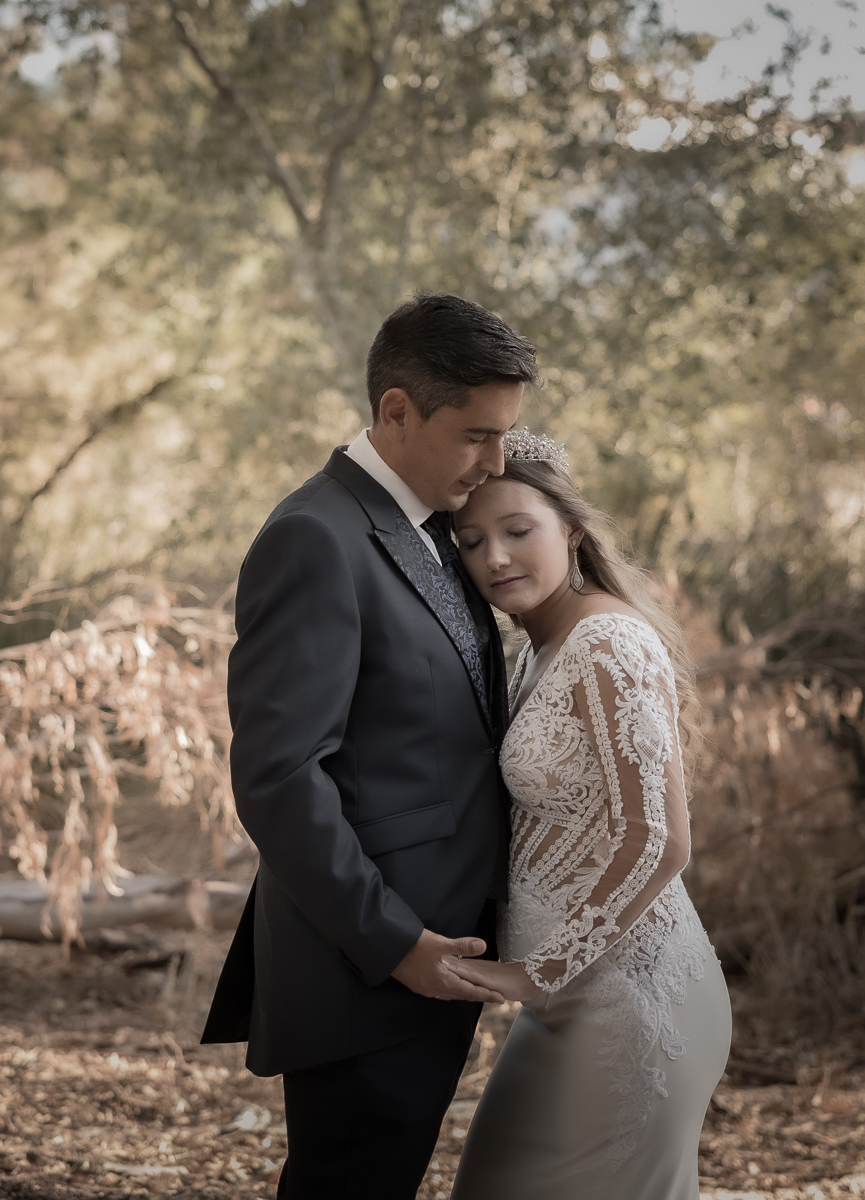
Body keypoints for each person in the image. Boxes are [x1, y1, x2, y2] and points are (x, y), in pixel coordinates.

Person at [200, 293, 539, 1198]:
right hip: (371, 965)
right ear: (396, 410)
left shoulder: (431, 530)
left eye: (506, 434)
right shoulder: (315, 537)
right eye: (476, 434)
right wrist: (398, 945)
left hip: (433, 957)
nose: (498, 460)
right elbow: (279, 779)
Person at [444, 430, 731, 1200]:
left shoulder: (607, 640)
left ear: (570, 530)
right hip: (570, 1002)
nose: (495, 558)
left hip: (630, 1002)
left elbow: (662, 839)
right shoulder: (541, 645)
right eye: (471, 542)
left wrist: (533, 972)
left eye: (517, 531)